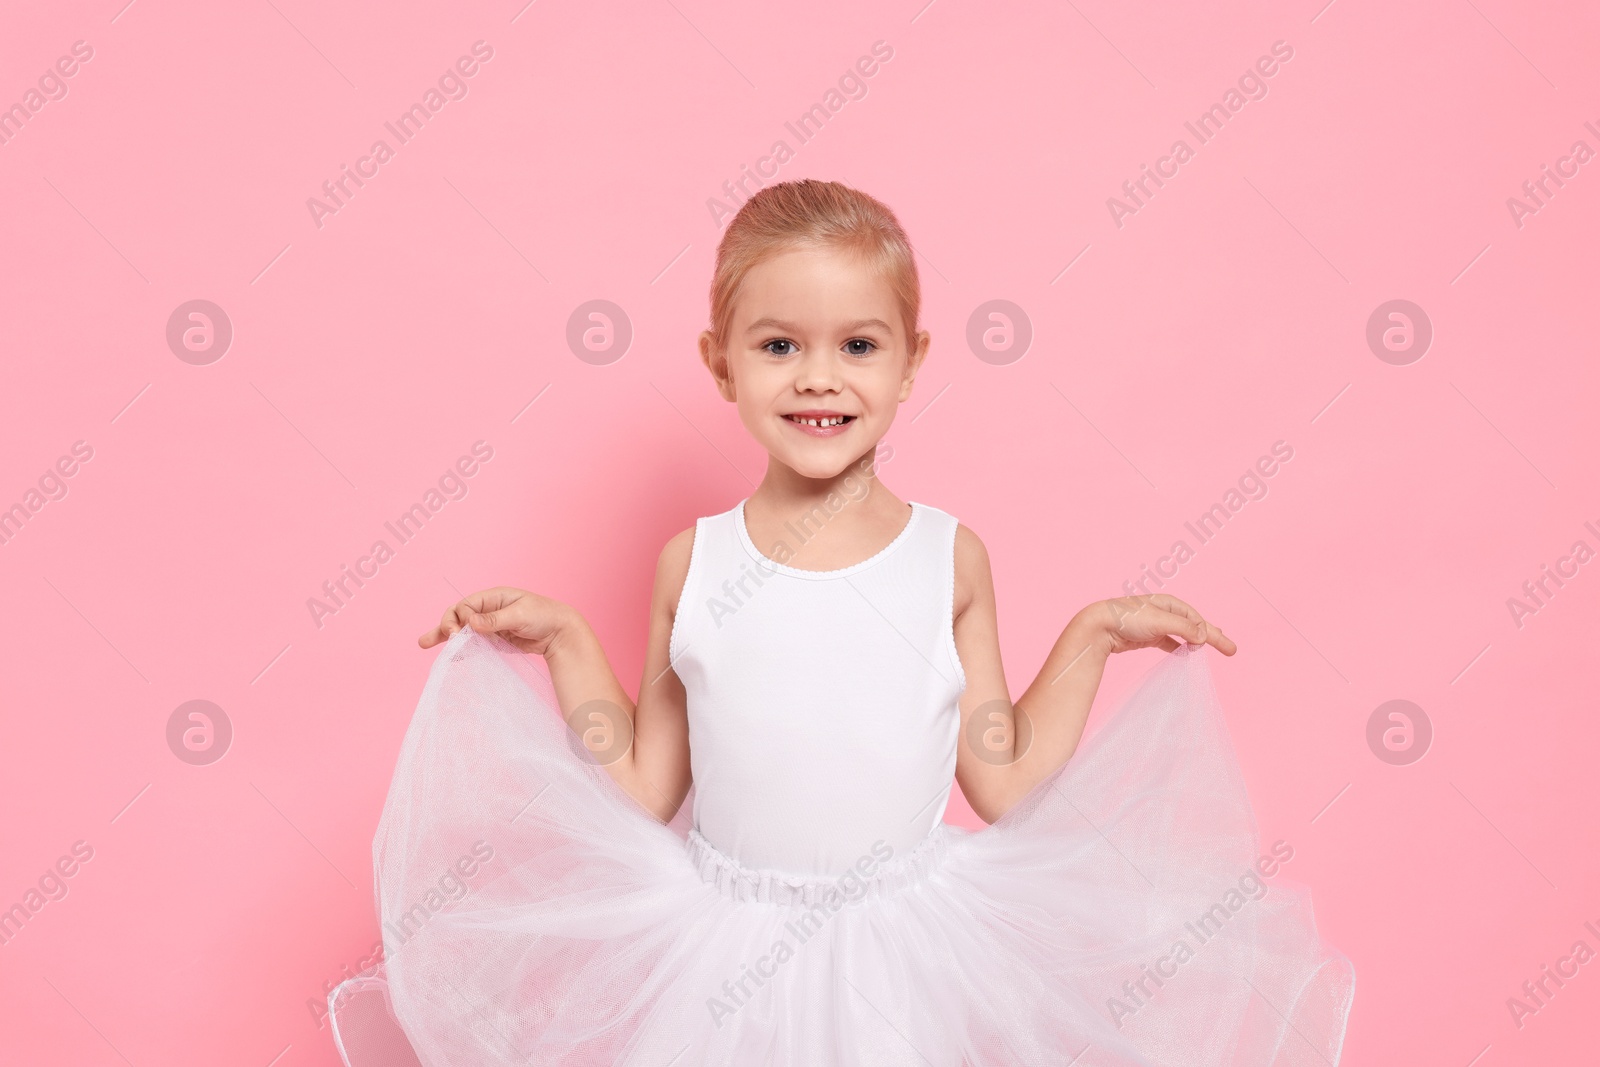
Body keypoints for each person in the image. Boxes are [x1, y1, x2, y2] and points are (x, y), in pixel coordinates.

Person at [329, 179, 1353, 1066]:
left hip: (900, 958)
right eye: (778, 344)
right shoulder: (697, 562)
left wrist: (1087, 635)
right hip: (722, 956)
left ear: (909, 362)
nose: (818, 376)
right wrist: (566, 643)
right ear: (721, 363)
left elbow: (998, 779)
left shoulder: (945, 558)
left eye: (856, 345)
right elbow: (645, 785)